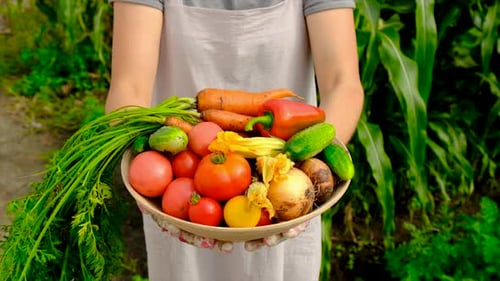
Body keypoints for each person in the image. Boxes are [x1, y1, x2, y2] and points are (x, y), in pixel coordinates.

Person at [105, 1, 364, 280]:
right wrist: (144, 178)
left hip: (285, 188)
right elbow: (128, 86)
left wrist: (316, 166)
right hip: (182, 190)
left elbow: (342, 83)